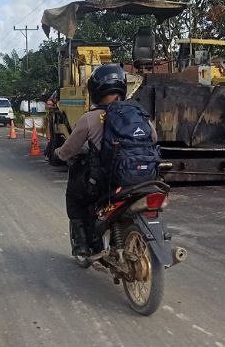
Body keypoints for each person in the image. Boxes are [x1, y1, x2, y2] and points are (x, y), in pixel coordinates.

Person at [54, 64, 155, 257]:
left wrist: (58, 153)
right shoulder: (139, 113)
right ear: (123, 88)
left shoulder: (91, 118)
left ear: (94, 90)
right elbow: (154, 138)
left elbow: (69, 149)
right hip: (144, 177)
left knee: (75, 198)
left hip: (107, 181)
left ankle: (82, 246)